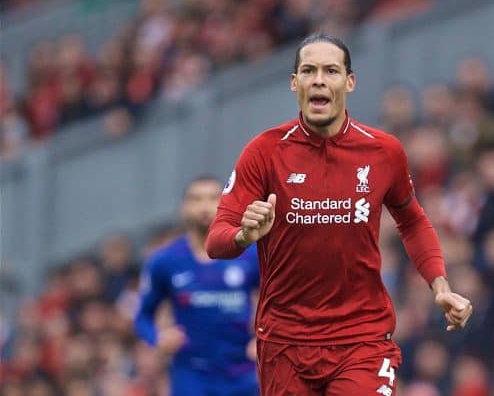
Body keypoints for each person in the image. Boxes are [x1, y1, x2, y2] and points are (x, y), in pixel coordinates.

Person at [205, 33, 473, 396]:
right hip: (285, 342)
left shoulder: (383, 151)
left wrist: (439, 285)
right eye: (308, 70)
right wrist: (244, 236)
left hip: (362, 337)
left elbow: (412, 220)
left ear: (349, 82)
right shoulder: (264, 152)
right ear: (294, 83)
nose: (319, 79)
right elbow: (215, 240)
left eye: (330, 70)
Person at [134, 176, 260, 396]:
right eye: (196, 199)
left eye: (213, 198)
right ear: (184, 207)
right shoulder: (165, 261)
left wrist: (262, 338)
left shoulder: (249, 256)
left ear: (226, 203)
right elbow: (142, 316)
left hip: (242, 375)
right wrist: (158, 338)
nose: (204, 206)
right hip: (191, 376)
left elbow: (280, 302)